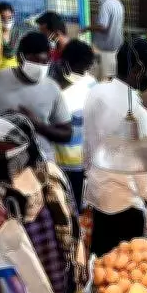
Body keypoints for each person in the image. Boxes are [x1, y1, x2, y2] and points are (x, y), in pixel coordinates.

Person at [0, 113, 86, 293]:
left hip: (56, 270)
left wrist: (77, 268)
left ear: (24, 145)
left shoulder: (51, 178)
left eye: (3, 147)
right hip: (19, 283)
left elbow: (71, 224)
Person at [82, 77, 147, 256]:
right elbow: (141, 169)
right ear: (137, 70)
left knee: (102, 257)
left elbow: (86, 140)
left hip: (97, 191)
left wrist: (89, 173)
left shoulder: (96, 92)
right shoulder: (137, 114)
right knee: (126, 261)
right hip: (124, 201)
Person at [0, 32, 72, 162]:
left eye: (45, 61)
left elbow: (66, 134)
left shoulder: (52, 88)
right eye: (35, 61)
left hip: (41, 163)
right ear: (21, 58)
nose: (40, 66)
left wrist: (37, 125)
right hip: (1, 161)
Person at [50, 40, 96, 206]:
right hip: (55, 161)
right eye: (80, 67)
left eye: (87, 67)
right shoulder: (49, 85)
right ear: (66, 63)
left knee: (76, 204)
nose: (83, 71)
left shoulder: (91, 84)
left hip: (80, 162)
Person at [84, 0, 125, 81]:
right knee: (112, 78)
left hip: (105, 50)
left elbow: (103, 27)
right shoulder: (117, 3)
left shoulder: (105, 5)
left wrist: (87, 28)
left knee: (104, 80)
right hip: (116, 48)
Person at [0, 1, 29, 70]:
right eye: (3, 18)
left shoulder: (18, 33)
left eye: (9, 18)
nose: (7, 21)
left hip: (16, 72)